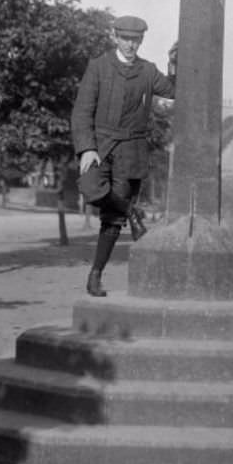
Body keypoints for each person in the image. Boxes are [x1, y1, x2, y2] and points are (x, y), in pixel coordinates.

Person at [71, 15, 177, 297]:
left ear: (141, 41)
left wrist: (174, 64)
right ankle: (132, 211)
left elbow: (175, 90)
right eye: (126, 39)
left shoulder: (147, 71)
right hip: (100, 147)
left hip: (131, 151)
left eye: (136, 40)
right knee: (90, 188)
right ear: (115, 37)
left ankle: (95, 276)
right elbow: (82, 111)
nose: (131, 45)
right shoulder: (99, 67)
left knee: (111, 219)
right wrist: (87, 148)